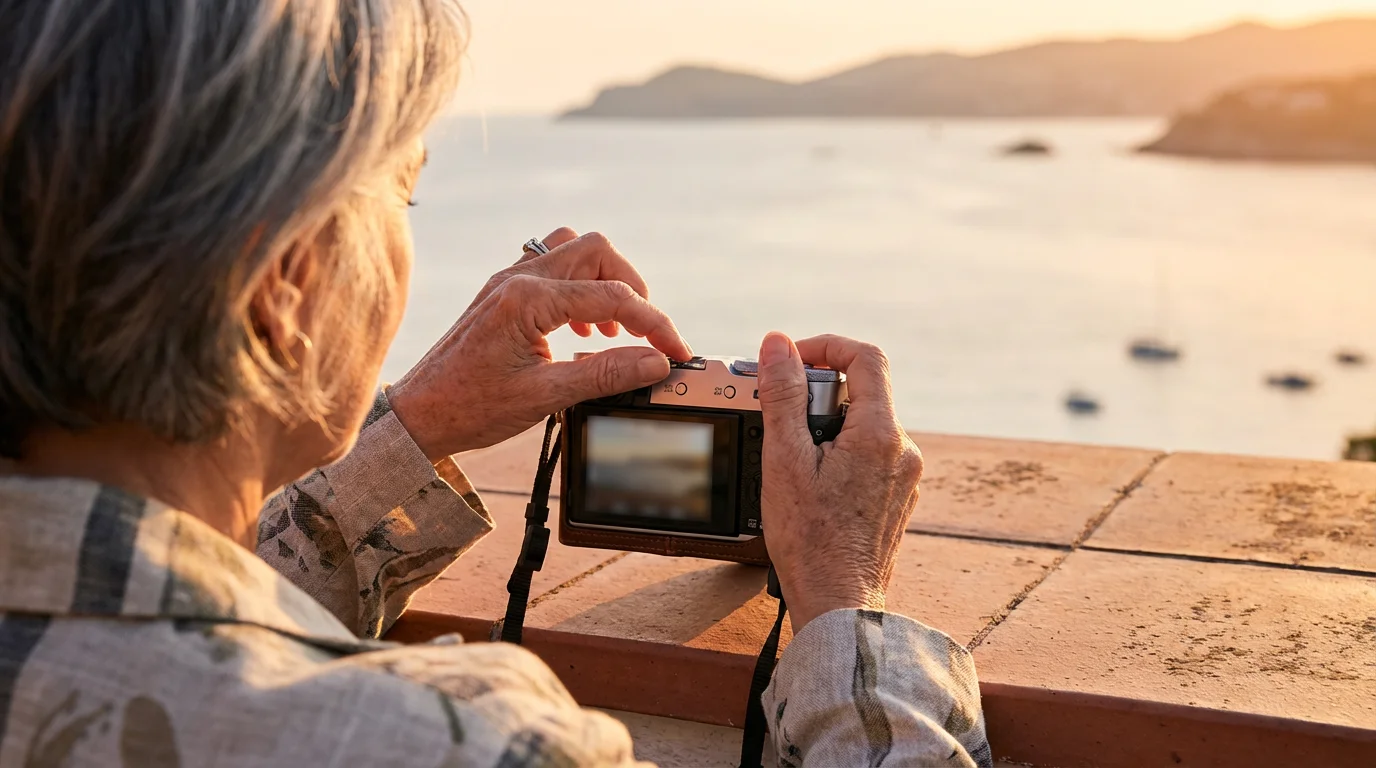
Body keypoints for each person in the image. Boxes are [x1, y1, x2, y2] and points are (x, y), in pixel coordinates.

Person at [0, 0, 990, 765]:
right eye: (404, 190)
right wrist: (844, 607)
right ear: (281, 287)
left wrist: (410, 430)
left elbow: (131, 631)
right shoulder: (447, 744)